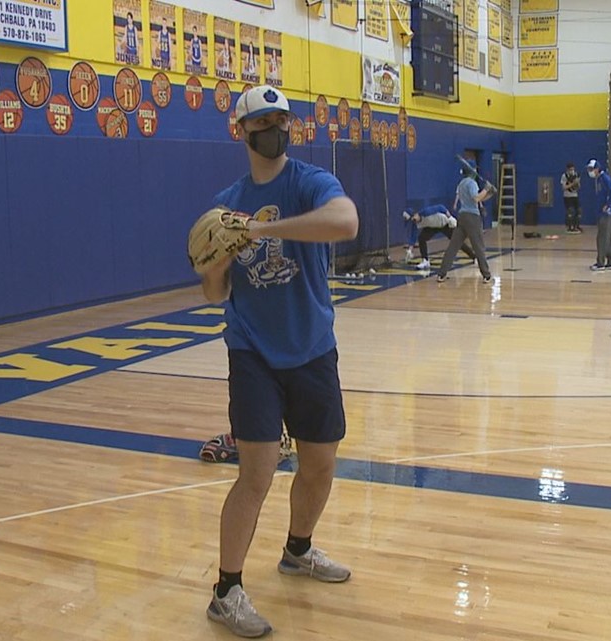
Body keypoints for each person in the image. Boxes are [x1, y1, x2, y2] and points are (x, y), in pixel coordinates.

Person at [199, 85, 358, 638]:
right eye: (262, 122)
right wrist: (217, 262)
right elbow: (214, 294)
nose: (274, 130)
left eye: (281, 121)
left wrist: (262, 230)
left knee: (319, 465)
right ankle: (226, 591)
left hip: (312, 347)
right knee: (257, 472)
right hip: (253, 354)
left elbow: (345, 222)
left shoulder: (310, 182)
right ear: (241, 131)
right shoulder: (225, 205)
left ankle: (298, 550)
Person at [435, 166, 494, 283]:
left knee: (453, 247)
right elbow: (476, 198)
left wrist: (490, 193)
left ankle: (441, 274)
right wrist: (486, 189)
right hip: (472, 217)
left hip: (462, 217)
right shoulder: (471, 183)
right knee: (478, 247)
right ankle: (486, 275)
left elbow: (479, 198)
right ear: (472, 172)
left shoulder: (461, 183)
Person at [403, 204, 476, 269]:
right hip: (432, 227)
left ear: (415, 214)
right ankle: (425, 261)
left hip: (444, 224)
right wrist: (410, 250)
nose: (413, 221)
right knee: (421, 238)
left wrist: (449, 217)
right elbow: (413, 237)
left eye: (413, 218)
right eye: (411, 220)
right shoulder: (415, 224)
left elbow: (441, 207)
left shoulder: (426, 212)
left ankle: (474, 257)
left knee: (457, 241)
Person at [586, 158, 611, 271]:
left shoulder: (604, 178)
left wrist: (608, 204)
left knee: (602, 238)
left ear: (597, 169)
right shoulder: (598, 179)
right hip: (601, 212)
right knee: (607, 237)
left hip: (606, 213)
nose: (590, 171)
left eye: (591, 169)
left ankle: (600, 263)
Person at [560, 162, 582, 233]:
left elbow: (578, 187)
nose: (572, 171)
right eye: (570, 169)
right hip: (567, 196)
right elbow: (563, 188)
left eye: (573, 169)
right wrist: (572, 184)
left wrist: (577, 183)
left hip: (575, 195)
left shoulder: (576, 175)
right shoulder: (564, 176)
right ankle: (569, 226)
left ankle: (576, 226)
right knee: (570, 211)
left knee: (579, 210)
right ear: (567, 170)